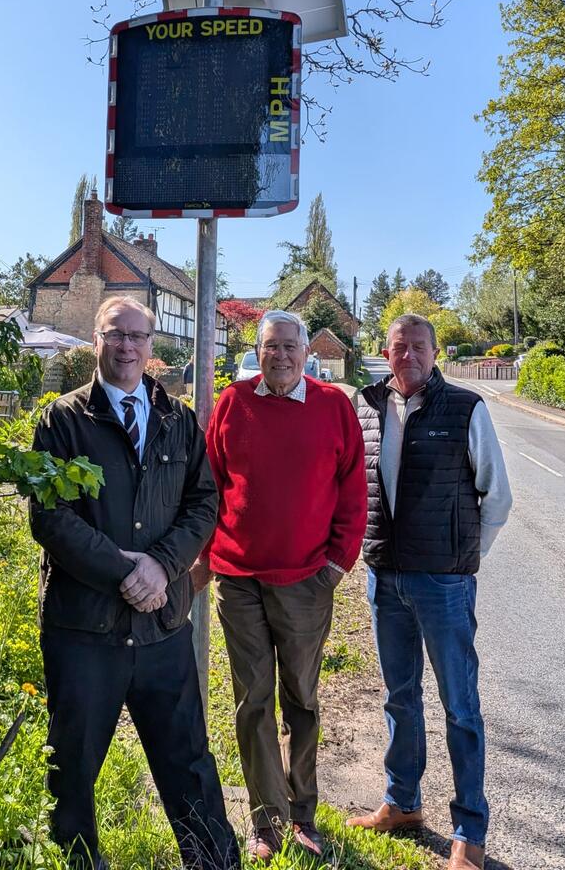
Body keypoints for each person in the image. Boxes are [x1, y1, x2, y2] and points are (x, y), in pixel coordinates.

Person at [30, 295, 239, 870]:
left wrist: (162, 565)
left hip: (162, 626)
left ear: (153, 347)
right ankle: (78, 861)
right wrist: (127, 569)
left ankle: (213, 863)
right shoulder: (63, 421)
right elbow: (49, 518)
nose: (127, 346)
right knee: (71, 766)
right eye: (115, 335)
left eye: (137, 337)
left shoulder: (177, 420)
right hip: (83, 629)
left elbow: (204, 502)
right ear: (95, 340)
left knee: (189, 762)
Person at [191, 309, 367, 862]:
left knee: (303, 701)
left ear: (305, 352)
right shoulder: (232, 404)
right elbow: (210, 486)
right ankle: (266, 821)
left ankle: (304, 813)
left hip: (306, 582)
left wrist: (336, 566)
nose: (282, 356)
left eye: (291, 346)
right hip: (239, 579)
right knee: (252, 703)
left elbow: (354, 491)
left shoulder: (334, 406)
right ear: (258, 350)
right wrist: (205, 557)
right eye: (271, 347)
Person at [348, 314, 512, 870]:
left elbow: (497, 497)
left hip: (444, 581)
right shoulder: (364, 408)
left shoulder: (465, 407)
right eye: (399, 346)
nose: (408, 355)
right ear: (386, 351)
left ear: (435, 352)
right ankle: (403, 803)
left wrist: (466, 559)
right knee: (399, 697)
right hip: (384, 575)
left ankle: (469, 830)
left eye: (419, 346)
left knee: (460, 705)